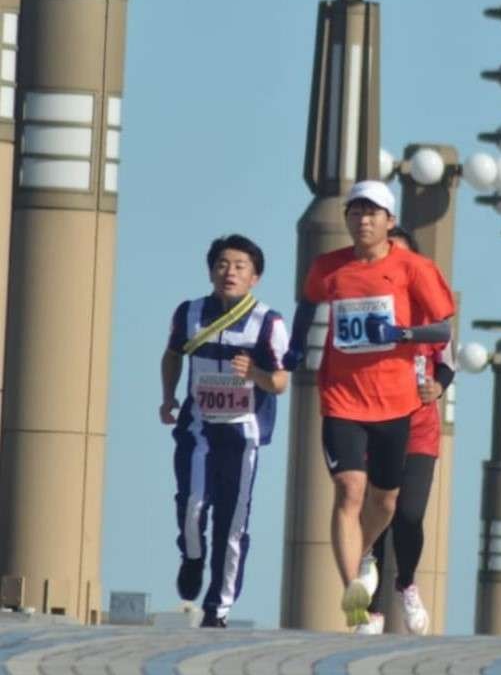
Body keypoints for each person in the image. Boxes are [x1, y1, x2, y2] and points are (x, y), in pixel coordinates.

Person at [290, 180, 456, 629]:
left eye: (372, 213)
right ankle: (353, 593)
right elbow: (307, 304)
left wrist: (401, 335)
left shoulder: (413, 268)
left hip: (395, 404)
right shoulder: (329, 267)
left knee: (386, 503)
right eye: (355, 212)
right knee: (350, 491)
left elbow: (442, 332)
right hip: (341, 399)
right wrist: (293, 348)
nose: (362, 220)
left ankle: (365, 553)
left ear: (389, 221)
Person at [161, 234, 290, 628]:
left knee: (233, 523)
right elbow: (173, 354)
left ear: (255, 277)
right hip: (198, 428)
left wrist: (253, 373)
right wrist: (168, 397)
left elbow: (281, 381)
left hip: (241, 433)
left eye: (239, 266)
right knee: (193, 504)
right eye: (221, 264)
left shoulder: (268, 322)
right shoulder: (190, 312)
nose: (229, 272)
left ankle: (218, 607)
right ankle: (193, 557)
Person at [359, 228, 455, 635]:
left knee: (410, 514)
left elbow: (447, 362)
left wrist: (439, 385)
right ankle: (372, 610)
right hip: (376, 424)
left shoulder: (429, 312)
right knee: (379, 511)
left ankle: (406, 583)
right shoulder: (366, 308)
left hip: (419, 427)